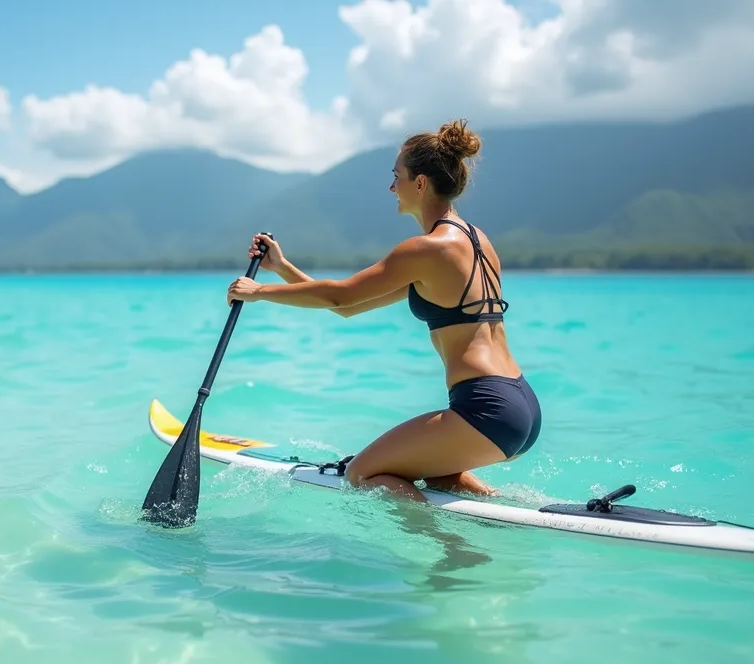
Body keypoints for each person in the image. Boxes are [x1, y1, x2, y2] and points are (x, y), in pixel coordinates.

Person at [225, 119, 540, 503]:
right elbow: (348, 306)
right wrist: (284, 268)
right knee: (436, 474)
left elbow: (341, 297)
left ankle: (452, 548)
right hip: (519, 402)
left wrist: (258, 291)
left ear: (420, 183)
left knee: (362, 472)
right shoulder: (476, 241)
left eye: (397, 177)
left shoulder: (428, 248)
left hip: (485, 408)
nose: (392, 187)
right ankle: (496, 514)